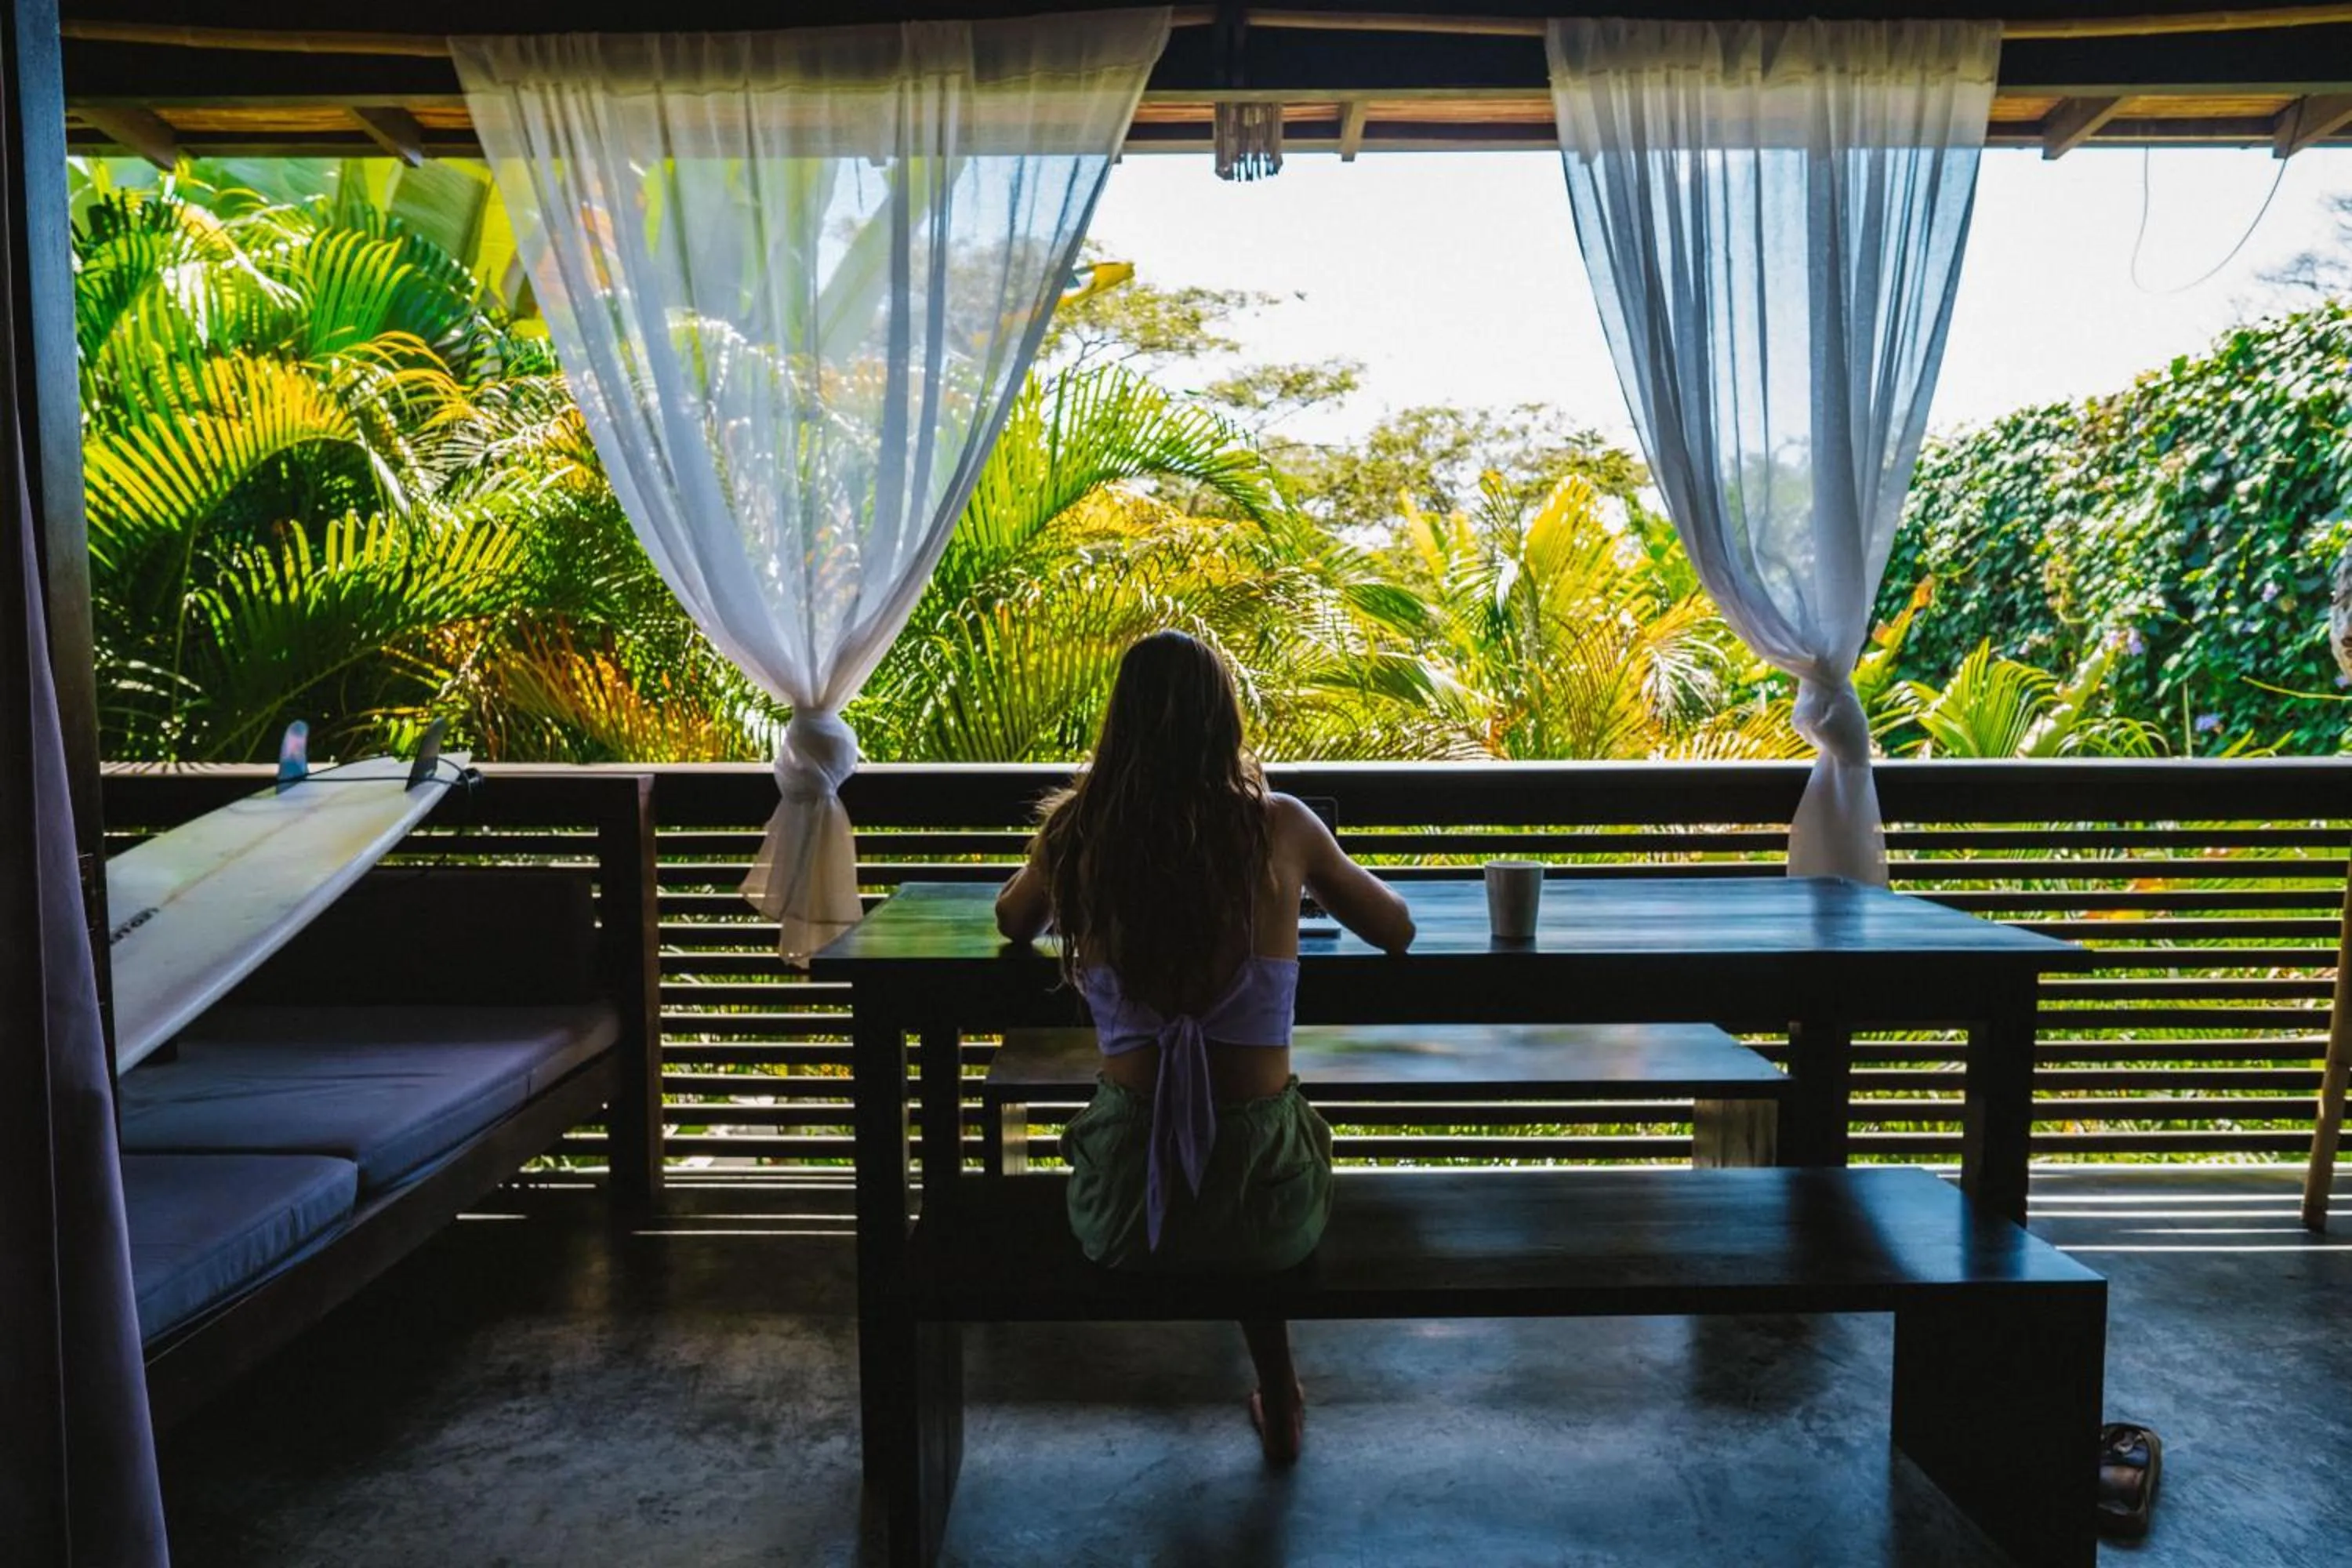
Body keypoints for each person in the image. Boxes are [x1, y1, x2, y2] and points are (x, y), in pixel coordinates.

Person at [995, 630, 1415, 1465]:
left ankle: (1278, 1391)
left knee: (1195, 1164)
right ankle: (1282, 1394)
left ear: (1121, 724)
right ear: (1224, 721)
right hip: (1265, 1199)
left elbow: (1012, 919)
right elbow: (1394, 929)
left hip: (1127, 1199)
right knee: (1242, 1165)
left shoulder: (1082, 832)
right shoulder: (1281, 827)